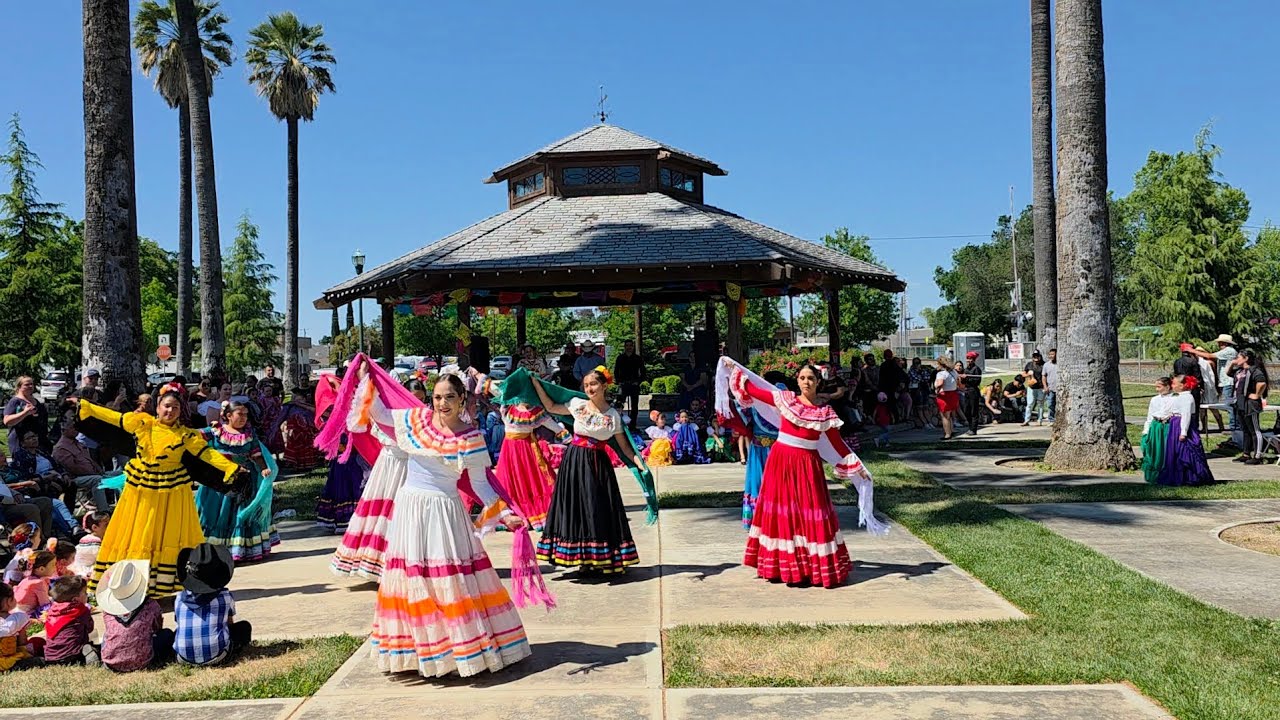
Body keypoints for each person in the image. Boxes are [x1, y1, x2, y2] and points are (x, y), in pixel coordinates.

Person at [334, 360, 534, 677]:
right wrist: (365, 380)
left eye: (450, 397)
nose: (443, 403)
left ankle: (459, 651)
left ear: (462, 399)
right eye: (438, 397)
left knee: (449, 581)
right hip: (410, 509)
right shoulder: (415, 420)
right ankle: (419, 651)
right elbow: (380, 414)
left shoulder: (471, 437)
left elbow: (480, 484)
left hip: (444, 512)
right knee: (413, 579)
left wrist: (505, 514)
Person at [717, 357, 884, 588]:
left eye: (811, 378)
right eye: (803, 378)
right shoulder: (785, 400)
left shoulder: (824, 413)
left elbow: (837, 445)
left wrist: (857, 467)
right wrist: (734, 370)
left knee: (810, 511)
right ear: (797, 381)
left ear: (818, 382)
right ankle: (781, 567)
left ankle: (810, 568)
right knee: (783, 513)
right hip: (781, 461)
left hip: (807, 465)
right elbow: (754, 391)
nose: (806, 382)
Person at [75, 382, 246, 598]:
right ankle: (130, 584)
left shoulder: (186, 435)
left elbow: (208, 454)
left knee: (168, 533)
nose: (170, 411)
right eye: (166, 406)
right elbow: (115, 418)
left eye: (175, 407)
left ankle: (163, 584)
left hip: (171, 492)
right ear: (158, 407)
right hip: (140, 490)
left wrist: (230, 467)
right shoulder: (143, 424)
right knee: (138, 532)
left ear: (180, 411)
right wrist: (87, 407)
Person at [531, 368, 652, 575]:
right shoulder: (577, 404)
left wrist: (639, 463)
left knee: (595, 507)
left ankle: (598, 557)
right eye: (586, 385)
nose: (589, 388)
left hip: (597, 464)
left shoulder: (612, 416)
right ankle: (581, 559)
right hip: (574, 461)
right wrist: (536, 384)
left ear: (604, 386)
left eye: (593, 384)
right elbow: (550, 406)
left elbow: (625, 447)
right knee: (575, 508)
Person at [477, 377, 569, 532]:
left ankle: (537, 514)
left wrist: (570, 439)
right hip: (509, 450)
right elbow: (493, 387)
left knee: (531, 481)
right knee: (508, 481)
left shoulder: (536, 412)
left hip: (527, 451)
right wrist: (479, 376)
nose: (524, 395)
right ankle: (509, 514)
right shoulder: (508, 404)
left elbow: (554, 426)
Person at [196, 401, 279, 563]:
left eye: (246, 415)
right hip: (218, 482)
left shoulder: (249, 434)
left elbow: (256, 454)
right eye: (240, 414)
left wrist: (263, 468)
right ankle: (212, 550)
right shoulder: (214, 431)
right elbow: (192, 439)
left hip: (243, 481)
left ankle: (239, 549)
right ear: (228, 415)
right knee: (216, 513)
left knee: (238, 512)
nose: (243, 418)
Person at [174, 543, 252, 666]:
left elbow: (179, 622)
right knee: (244, 627)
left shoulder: (179, 599)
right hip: (218, 656)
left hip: (184, 658)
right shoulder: (225, 597)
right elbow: (229, 623)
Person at [97, 559, 174, 672]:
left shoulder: (108, 611)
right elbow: (157, 628)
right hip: (143, 661)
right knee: (166, 634)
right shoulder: (150, 605)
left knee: (107, 635)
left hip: (111, 663)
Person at [1151, 375, 1215, 486]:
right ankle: (1176, 476)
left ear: (1182, 385)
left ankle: (1191, 477)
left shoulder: (1187, 398)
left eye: (1174, 384)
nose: (1172, 386)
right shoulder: (1179, 396)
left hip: (1180, 426)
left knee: (1184, 451)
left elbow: (1186, 415)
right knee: (1174, 451)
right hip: (1175, 424)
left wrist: (1183, 432)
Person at [733, 400, 780, 529]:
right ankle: (758, 519)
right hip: (759, 450)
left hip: (778, 450)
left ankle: (777, 519)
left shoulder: (783, 400)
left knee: (777, 484)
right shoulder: (752, 404)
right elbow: (740, 417)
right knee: (757, 482)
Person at [52, 422, 112, 512]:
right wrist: (94, 473)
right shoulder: (61, 448)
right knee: (97, 480)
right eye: (72, 428)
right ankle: (104, 511)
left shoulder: (78, 443)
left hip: (92, 473)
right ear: (63, 430)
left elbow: (90, 460)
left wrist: (99, 470)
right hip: (75, 478)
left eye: (76, 428)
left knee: (120, 474)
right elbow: (73, 468)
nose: (76, 430)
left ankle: (123, 505)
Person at [42, 576, 98, 666]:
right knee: (89, 646)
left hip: (51, 656)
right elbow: (90, 628)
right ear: (75, 599)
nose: (87, 595)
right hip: (73, 654)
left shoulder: (51, 611)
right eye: (85, 592)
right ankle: (88, 653)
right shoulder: (81, 610)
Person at [1232, 349, 1269, 465]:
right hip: (1241, 404)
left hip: (1250, 404)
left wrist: (1257, 395)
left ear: (1246, 358)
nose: (1236, 359)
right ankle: (1246, 453)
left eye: (1238, 357)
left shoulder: (1254, 370)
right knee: (1245, 429)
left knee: (1254, 430)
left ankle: (1258, 456)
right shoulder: (1240, 371)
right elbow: (1229, 374)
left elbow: (1262, 382)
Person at [0, 582, 42, 671]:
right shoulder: (17, 619)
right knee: (37, 657)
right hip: (8, 661)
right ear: (9, 601)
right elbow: (22, 643)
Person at [4, 376, 49, 452]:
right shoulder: (15, 401)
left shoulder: (36, 401)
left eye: (32, 384)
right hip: (21, 442)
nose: (30, 386)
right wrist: (25, 413)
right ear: (19, 387)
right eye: (27, 384)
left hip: (39, 442)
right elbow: (7, 421)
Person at [1173, 345, 1206, 433]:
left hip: (1180, 385)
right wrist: (1202, 386)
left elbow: (1176, 374)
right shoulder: (1193, 361)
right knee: (1194, 408)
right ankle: (1194, 427)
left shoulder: (1177, 361)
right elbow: (1198, 376)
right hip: (1192, 386)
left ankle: (1181, 427)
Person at [614, 340, 645, 430]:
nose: (629, 347)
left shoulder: (638, 358)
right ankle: (619, 424)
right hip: (623, 384)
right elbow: (616, 371)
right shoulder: (620, 358)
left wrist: (638, 381)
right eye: (627, 345)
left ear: (633, 347)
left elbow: (643, 371)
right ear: (624, 347)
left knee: (634, 407)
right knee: (619, 405)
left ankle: (632, 425)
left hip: (634, 384)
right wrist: (619, 381)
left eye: (630, 345)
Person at [14, 549, 55, 615]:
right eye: (53, 565)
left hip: (16, 611)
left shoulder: (27, 579)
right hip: (28, 614)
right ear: (41, 569)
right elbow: (45, 605)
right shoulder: (38, 583)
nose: (55, 567)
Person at [71, 511, 110, 578]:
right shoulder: (93, 543)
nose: (109, 527)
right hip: (86, 573)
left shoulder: (89, 539)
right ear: (95, 527)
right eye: (106, 525)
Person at [1196, 347, 1225, 433]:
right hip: (1203, 386)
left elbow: (1213, 375)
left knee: (1213, 407)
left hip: (1209, 386)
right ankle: (1204, 427)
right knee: (1202, 409)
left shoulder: (1209, 363)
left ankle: (1221, 425)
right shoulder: (1197, 362)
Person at [934, 356, 960, 440]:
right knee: (949, 415)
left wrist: (935, 387)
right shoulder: (954, 372)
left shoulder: (941, 374)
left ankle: (947, 434)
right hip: (953, 394)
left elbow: (940, 383)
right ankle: (951, 430)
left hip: (944, 395)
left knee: (944, 416)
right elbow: (958, 382)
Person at [959, 351, 983, 435]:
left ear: (974, 360)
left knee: (974, 411)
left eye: (971, 359)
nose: (969, 360)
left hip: (973, 391)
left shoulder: (976, 369)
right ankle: (970, 427)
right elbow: (963, 382)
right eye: (968, 359)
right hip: (967, 391)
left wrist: (967, 378)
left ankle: (973, 429)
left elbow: (977, 381)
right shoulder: (965, 369)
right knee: (966, 410)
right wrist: (962, 378)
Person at [1022, 351, 1047, 426]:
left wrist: (1045, 386)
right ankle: (1026, 420)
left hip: (1041, 387)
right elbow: (1023, 374)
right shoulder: (1029, 364)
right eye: (1034, 356)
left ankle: (1039, 420)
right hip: (1031, 387)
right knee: (1029, 404)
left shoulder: (1044, 364)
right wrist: (1028, 374)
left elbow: (1046, 375)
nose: (1036, 357)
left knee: (1040, 404)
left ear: (1040, 356)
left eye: (1037, 356)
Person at [1043, 348, 1059, 423]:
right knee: (1050, 405)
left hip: (1059, 389)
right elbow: (1044, 376)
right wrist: (1045, 386)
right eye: (1050, 354)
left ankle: (1058, 419)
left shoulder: (1060, 364)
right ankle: (1051, 420)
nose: (1051, 356)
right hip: (1050, 388)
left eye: (1053, 354)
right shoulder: (1046, 365)